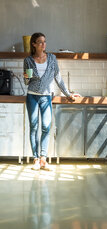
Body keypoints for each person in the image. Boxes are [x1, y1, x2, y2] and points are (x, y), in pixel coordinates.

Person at [24, 32, 76, 170]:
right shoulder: (28, 60)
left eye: (44, 42)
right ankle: (35, 159)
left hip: (46, 97)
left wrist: (68, 94)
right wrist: (26, 76)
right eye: (40, 42)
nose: (43, 44)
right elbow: (26, 82)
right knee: (34, 127)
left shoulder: (52, 58)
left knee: (46, 126)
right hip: (32, 96)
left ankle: (43, 159)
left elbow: (58, 78)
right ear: (34, 44)